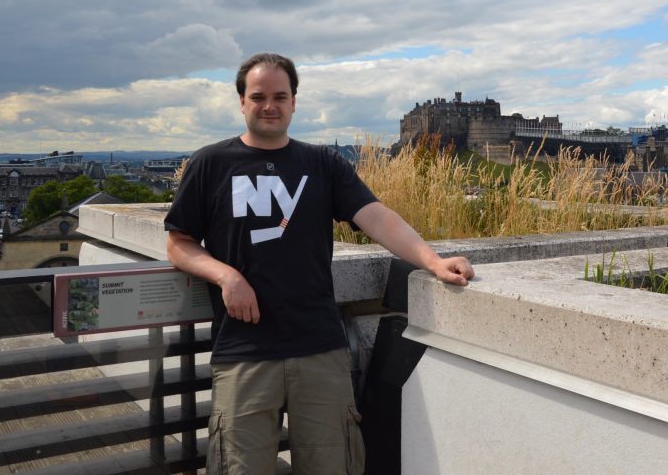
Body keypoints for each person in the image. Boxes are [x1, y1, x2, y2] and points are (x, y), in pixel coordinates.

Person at [165, 52, 474, 475]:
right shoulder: (210, 164)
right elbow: (179, 244)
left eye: (280, 95)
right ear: (242, 102)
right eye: (258, 96)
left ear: (294, 101)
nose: (269, 105)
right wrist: (227, 275)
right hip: (243, 351)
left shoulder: (322, 164)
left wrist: (433, 261)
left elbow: (377, 217)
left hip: (320, 347)